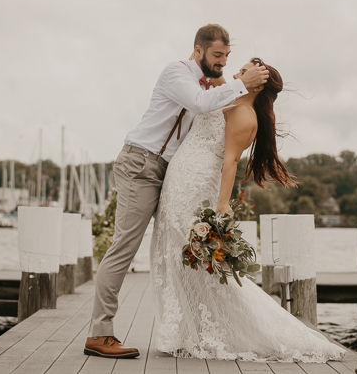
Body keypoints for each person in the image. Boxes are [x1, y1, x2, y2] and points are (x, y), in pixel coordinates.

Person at [85, 24, 269, 359]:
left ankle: (195, 329)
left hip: (166, 172)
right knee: (125, 246)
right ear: (198, 50)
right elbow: (200, 104)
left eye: (227, 57)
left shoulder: (211, 82)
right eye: (217, 55)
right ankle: (100, 333)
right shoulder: (177, 73)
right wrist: (243, 82)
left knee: (182, 250)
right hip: (140, 163)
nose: (222, 63)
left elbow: (232, 105)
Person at [149, 58, 347, 363]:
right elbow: (205, 81)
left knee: (199, 260)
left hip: (197, 184)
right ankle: (185, 330)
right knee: (174, 252)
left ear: (257, 83)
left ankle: (219, 331)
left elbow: (230, 162)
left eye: (243, 72)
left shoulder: (245, 116)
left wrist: (221, 206)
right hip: (178, 178)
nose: (236, 74)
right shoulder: (229, 95)